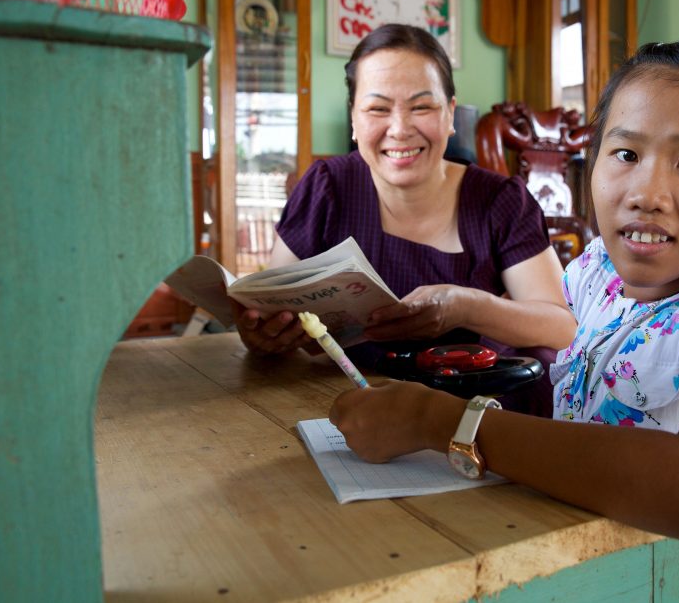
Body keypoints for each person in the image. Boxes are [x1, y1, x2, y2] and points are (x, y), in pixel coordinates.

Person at [328, 39, 679, 602]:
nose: (647, 193)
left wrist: (444, 423)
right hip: (601, 561)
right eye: (625, 154)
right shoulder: (595, 272)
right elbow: (574, 352)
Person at [235, 23, 575, 410]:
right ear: (354, 119)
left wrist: (465, 307)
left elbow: (561, 327)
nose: (399, 129)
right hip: (342, 402)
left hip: (475, 409)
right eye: (378, 109)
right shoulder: (327, 187)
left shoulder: (499, 200)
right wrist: (264, 335)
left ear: (449, 114)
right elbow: (274, 308)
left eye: (422, 107)